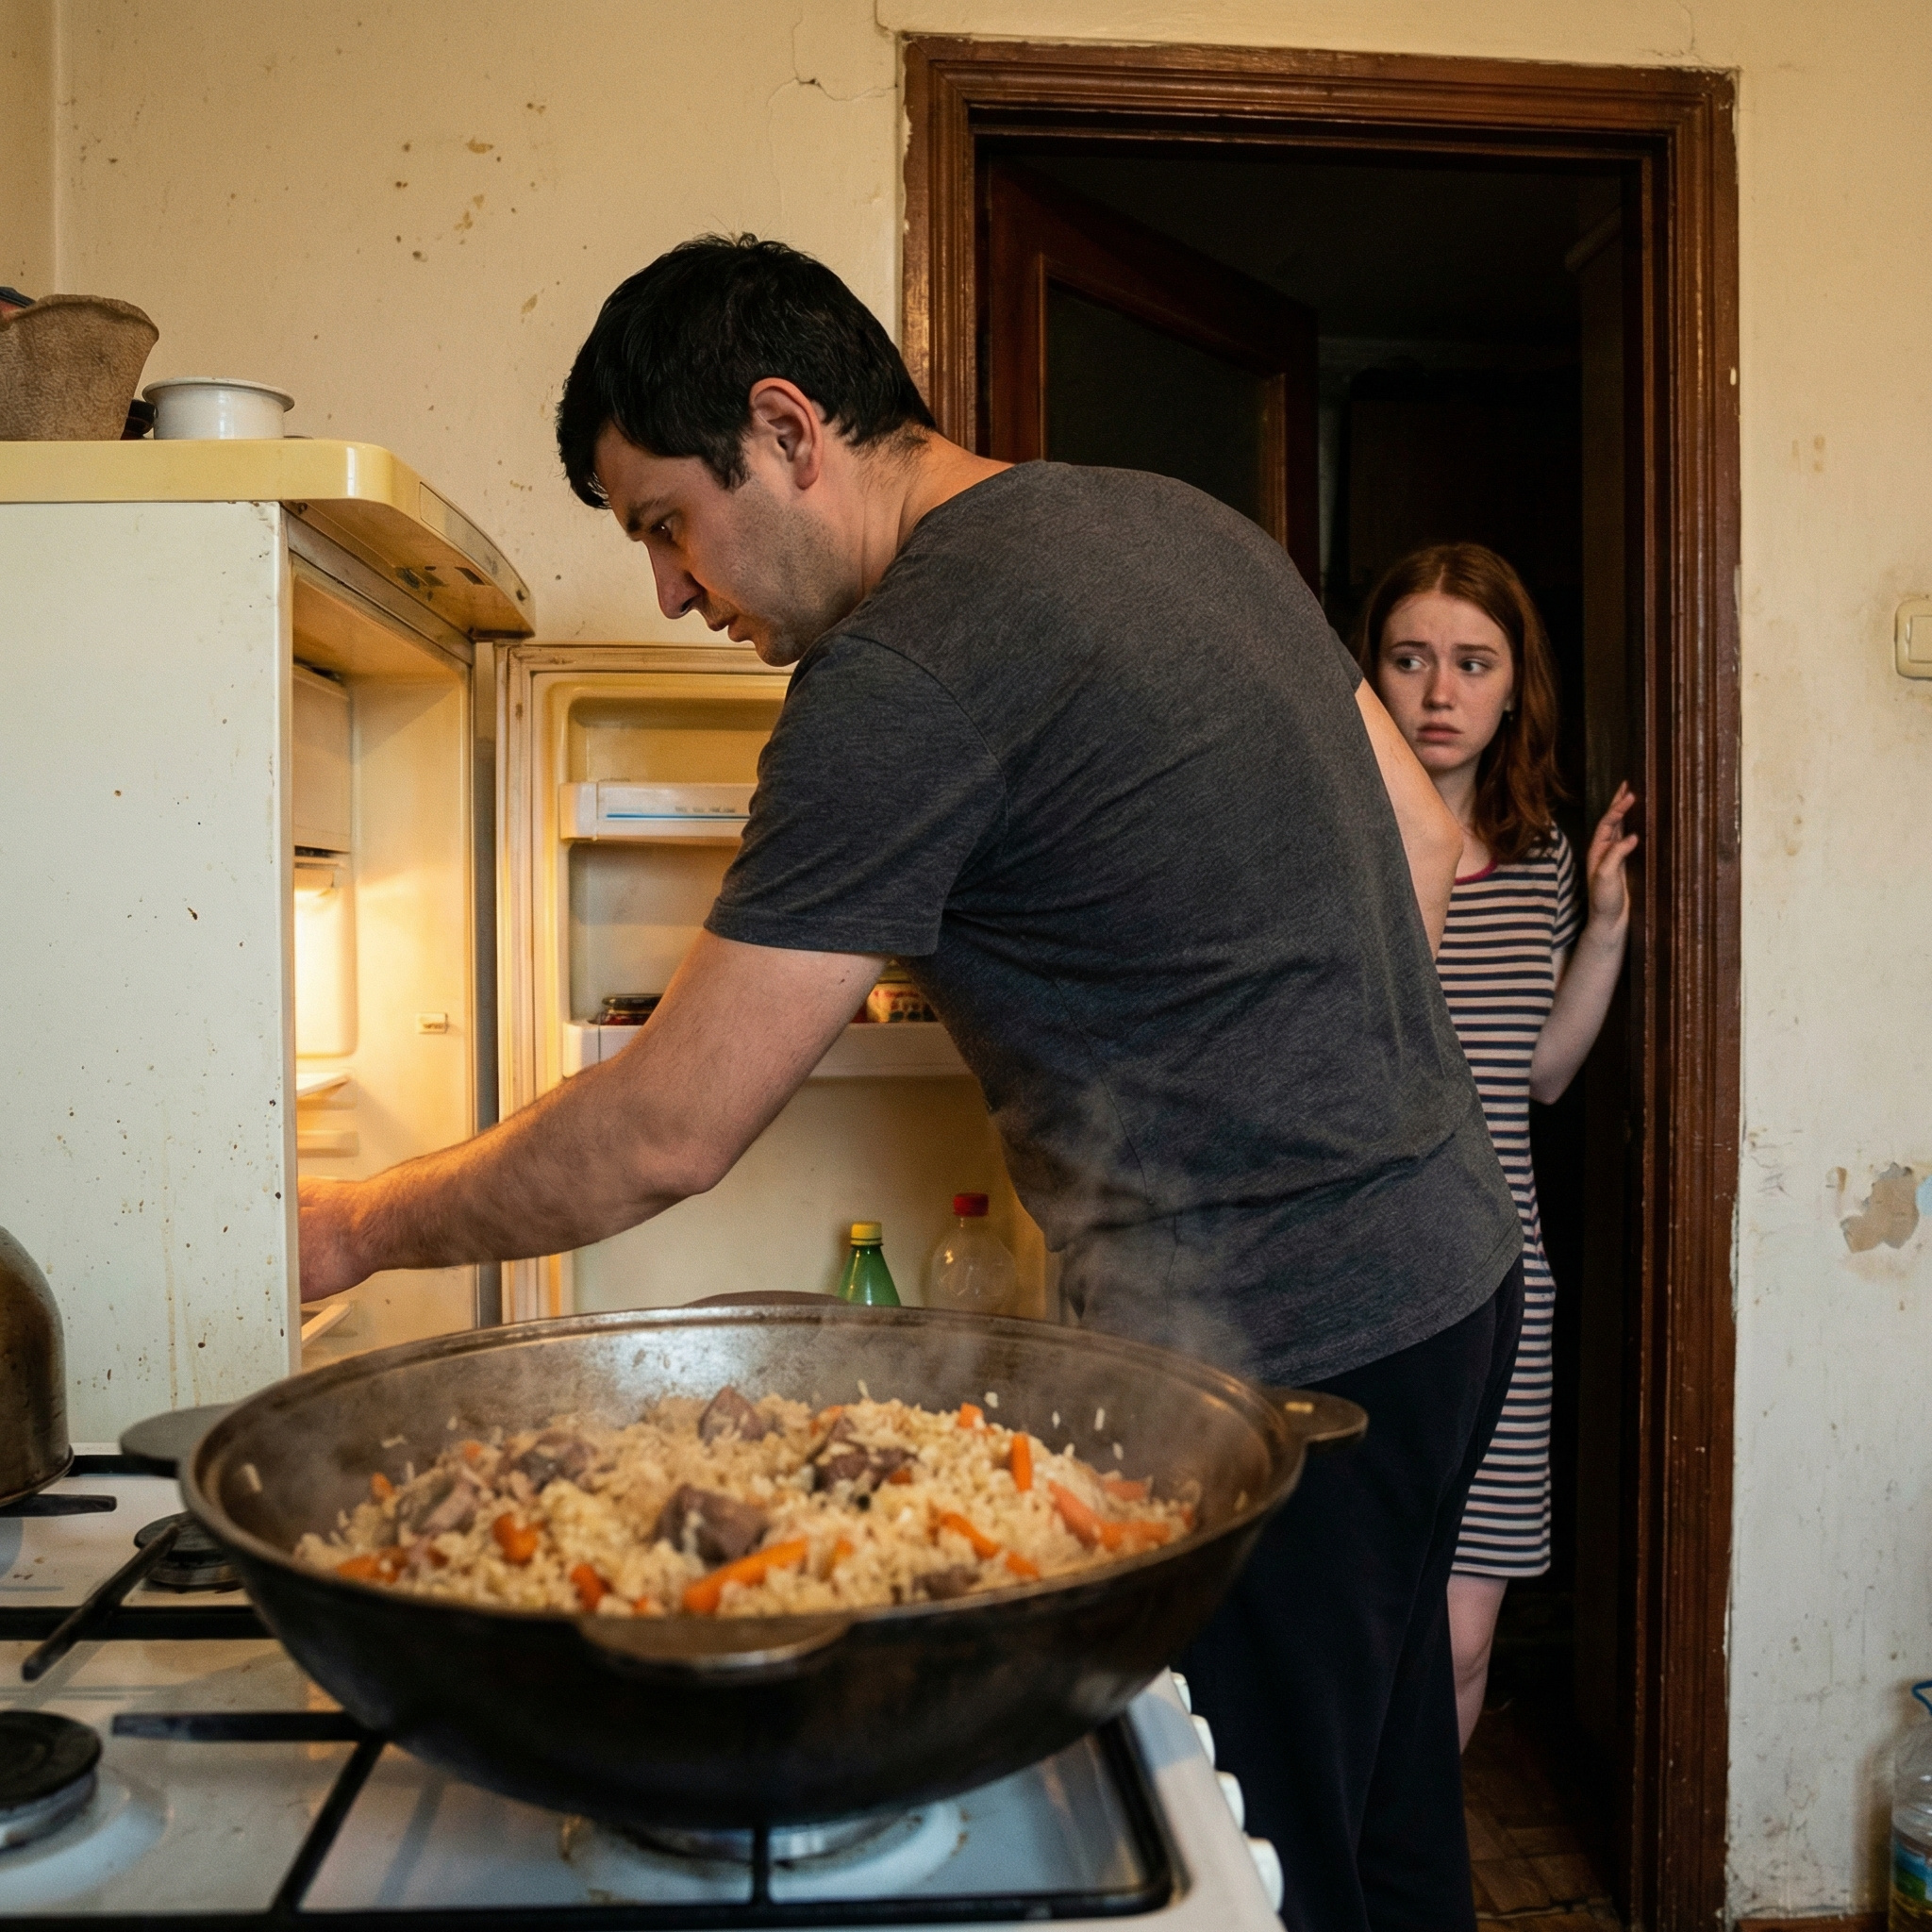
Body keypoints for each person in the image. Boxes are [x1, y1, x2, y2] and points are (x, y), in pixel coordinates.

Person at [300, 235, 1524, 1929]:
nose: (666, 586)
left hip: (1278, 1343)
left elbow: (668, 1126)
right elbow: (1426, 848)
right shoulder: (1174, 515)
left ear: (789, 426)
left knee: (1258, 1863)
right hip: (1452, 1273)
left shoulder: (897, 673)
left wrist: (348, 1228)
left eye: (664, 520)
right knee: (1386, 1810)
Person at [1356, 542, 1638, 1750]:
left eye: (1471, 663)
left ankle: (1415, 1870)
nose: (1437, 691)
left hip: (1499, 1279)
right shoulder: (1338, 844)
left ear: (1514, 686)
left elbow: (1544, 1074)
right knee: (1362, 1615)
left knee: (1466, 1638)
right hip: (1356, 1276)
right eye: (1409, 658)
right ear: (1369, 674)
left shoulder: (1539, 865)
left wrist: (1609, 929)